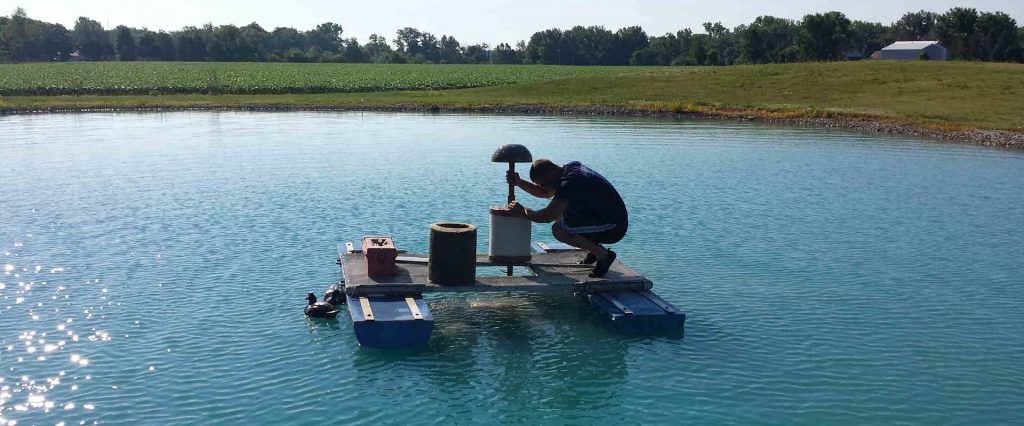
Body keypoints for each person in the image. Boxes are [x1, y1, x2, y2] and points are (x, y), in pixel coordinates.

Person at [506, 158, 628, 277]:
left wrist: (524, 212)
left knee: (559, 229)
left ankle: (604, 255)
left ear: (550, 172)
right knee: (561, 214)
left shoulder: (570, 182)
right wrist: (519, 182)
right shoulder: (569, 169)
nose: (544, 187)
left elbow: (547, 216)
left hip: (614, 227)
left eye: (543, 183)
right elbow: (546, 193)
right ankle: (594, 250)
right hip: (604, 217)